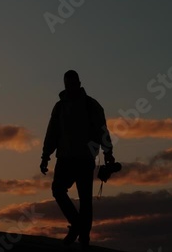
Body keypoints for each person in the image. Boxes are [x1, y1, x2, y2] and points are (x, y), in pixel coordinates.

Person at [40, 70, 115, 250]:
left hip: (84, 158)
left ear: (79, 83)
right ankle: (77, 225)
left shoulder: (91, 105)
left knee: (85, 200)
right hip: (65, 158)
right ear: (65, 85)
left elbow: (102, 131)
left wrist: (108, 153)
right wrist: (45, 156)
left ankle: (84, 238)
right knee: (58, 190)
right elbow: (52, 133)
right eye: (67, 84)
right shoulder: (59, 107)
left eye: (73, 84)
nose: (70, 87)